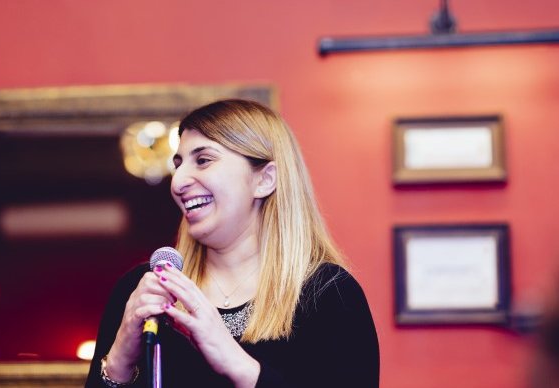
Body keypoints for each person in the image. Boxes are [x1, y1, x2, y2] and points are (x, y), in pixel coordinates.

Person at [85, 99, 379, 387]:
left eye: (203, 160)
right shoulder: (143, 289)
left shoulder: (329, 295)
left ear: (264, 180)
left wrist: (238, 364)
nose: (177, 182)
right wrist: (120, 358)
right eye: (178, 164)